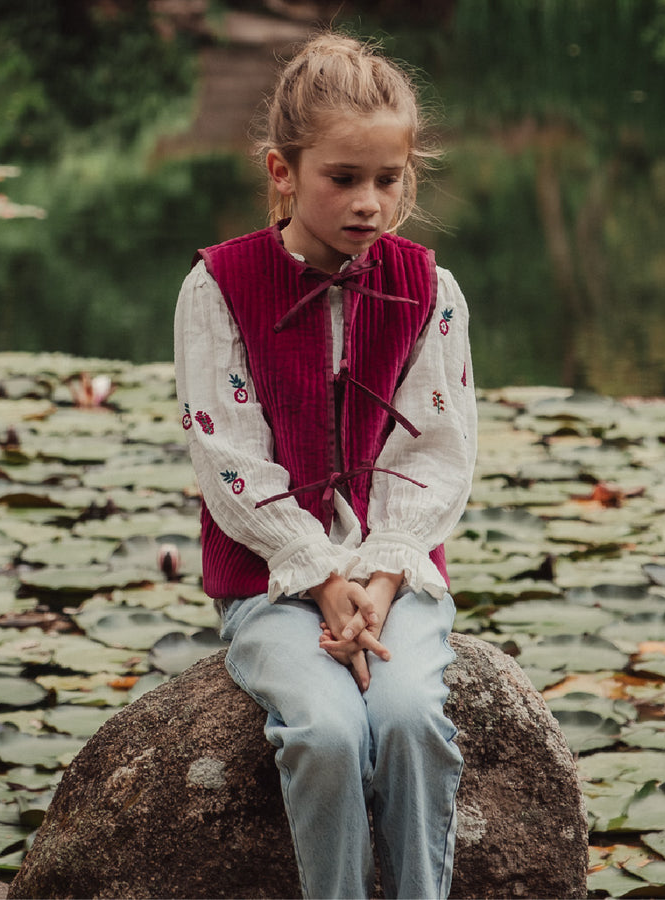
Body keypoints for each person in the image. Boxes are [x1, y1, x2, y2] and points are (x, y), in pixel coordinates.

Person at [174, 30, 477, 900]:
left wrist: (379, 577)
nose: (369, 203)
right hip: (271, 579)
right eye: (342, 178)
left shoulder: (432, 290)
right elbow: (227, 450)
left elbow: (438, 452)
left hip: (396, 580)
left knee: (414, 718)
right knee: (328, 733)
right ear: (283, 170)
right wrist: (315, 574)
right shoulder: (219, 286)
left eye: (389, 179)